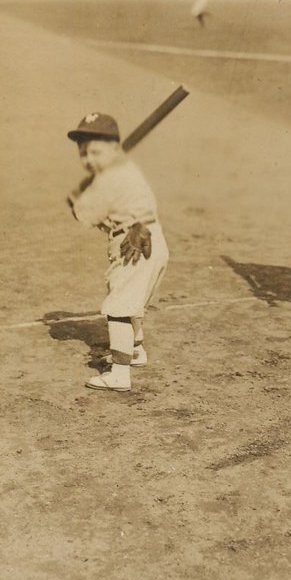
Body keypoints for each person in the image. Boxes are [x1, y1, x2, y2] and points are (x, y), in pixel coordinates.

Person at [66, 113, 169, 392]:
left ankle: (120, 374)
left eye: (96, 151)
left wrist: (76, 202)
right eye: (84, 153)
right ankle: (134, 351)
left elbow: (88, 215)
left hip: (136, 243)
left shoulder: (113, 178)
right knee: (128, 298)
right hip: (146, 240)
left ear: (115, 149)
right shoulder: (120, 170)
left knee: (119, 307)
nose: (89, 159)